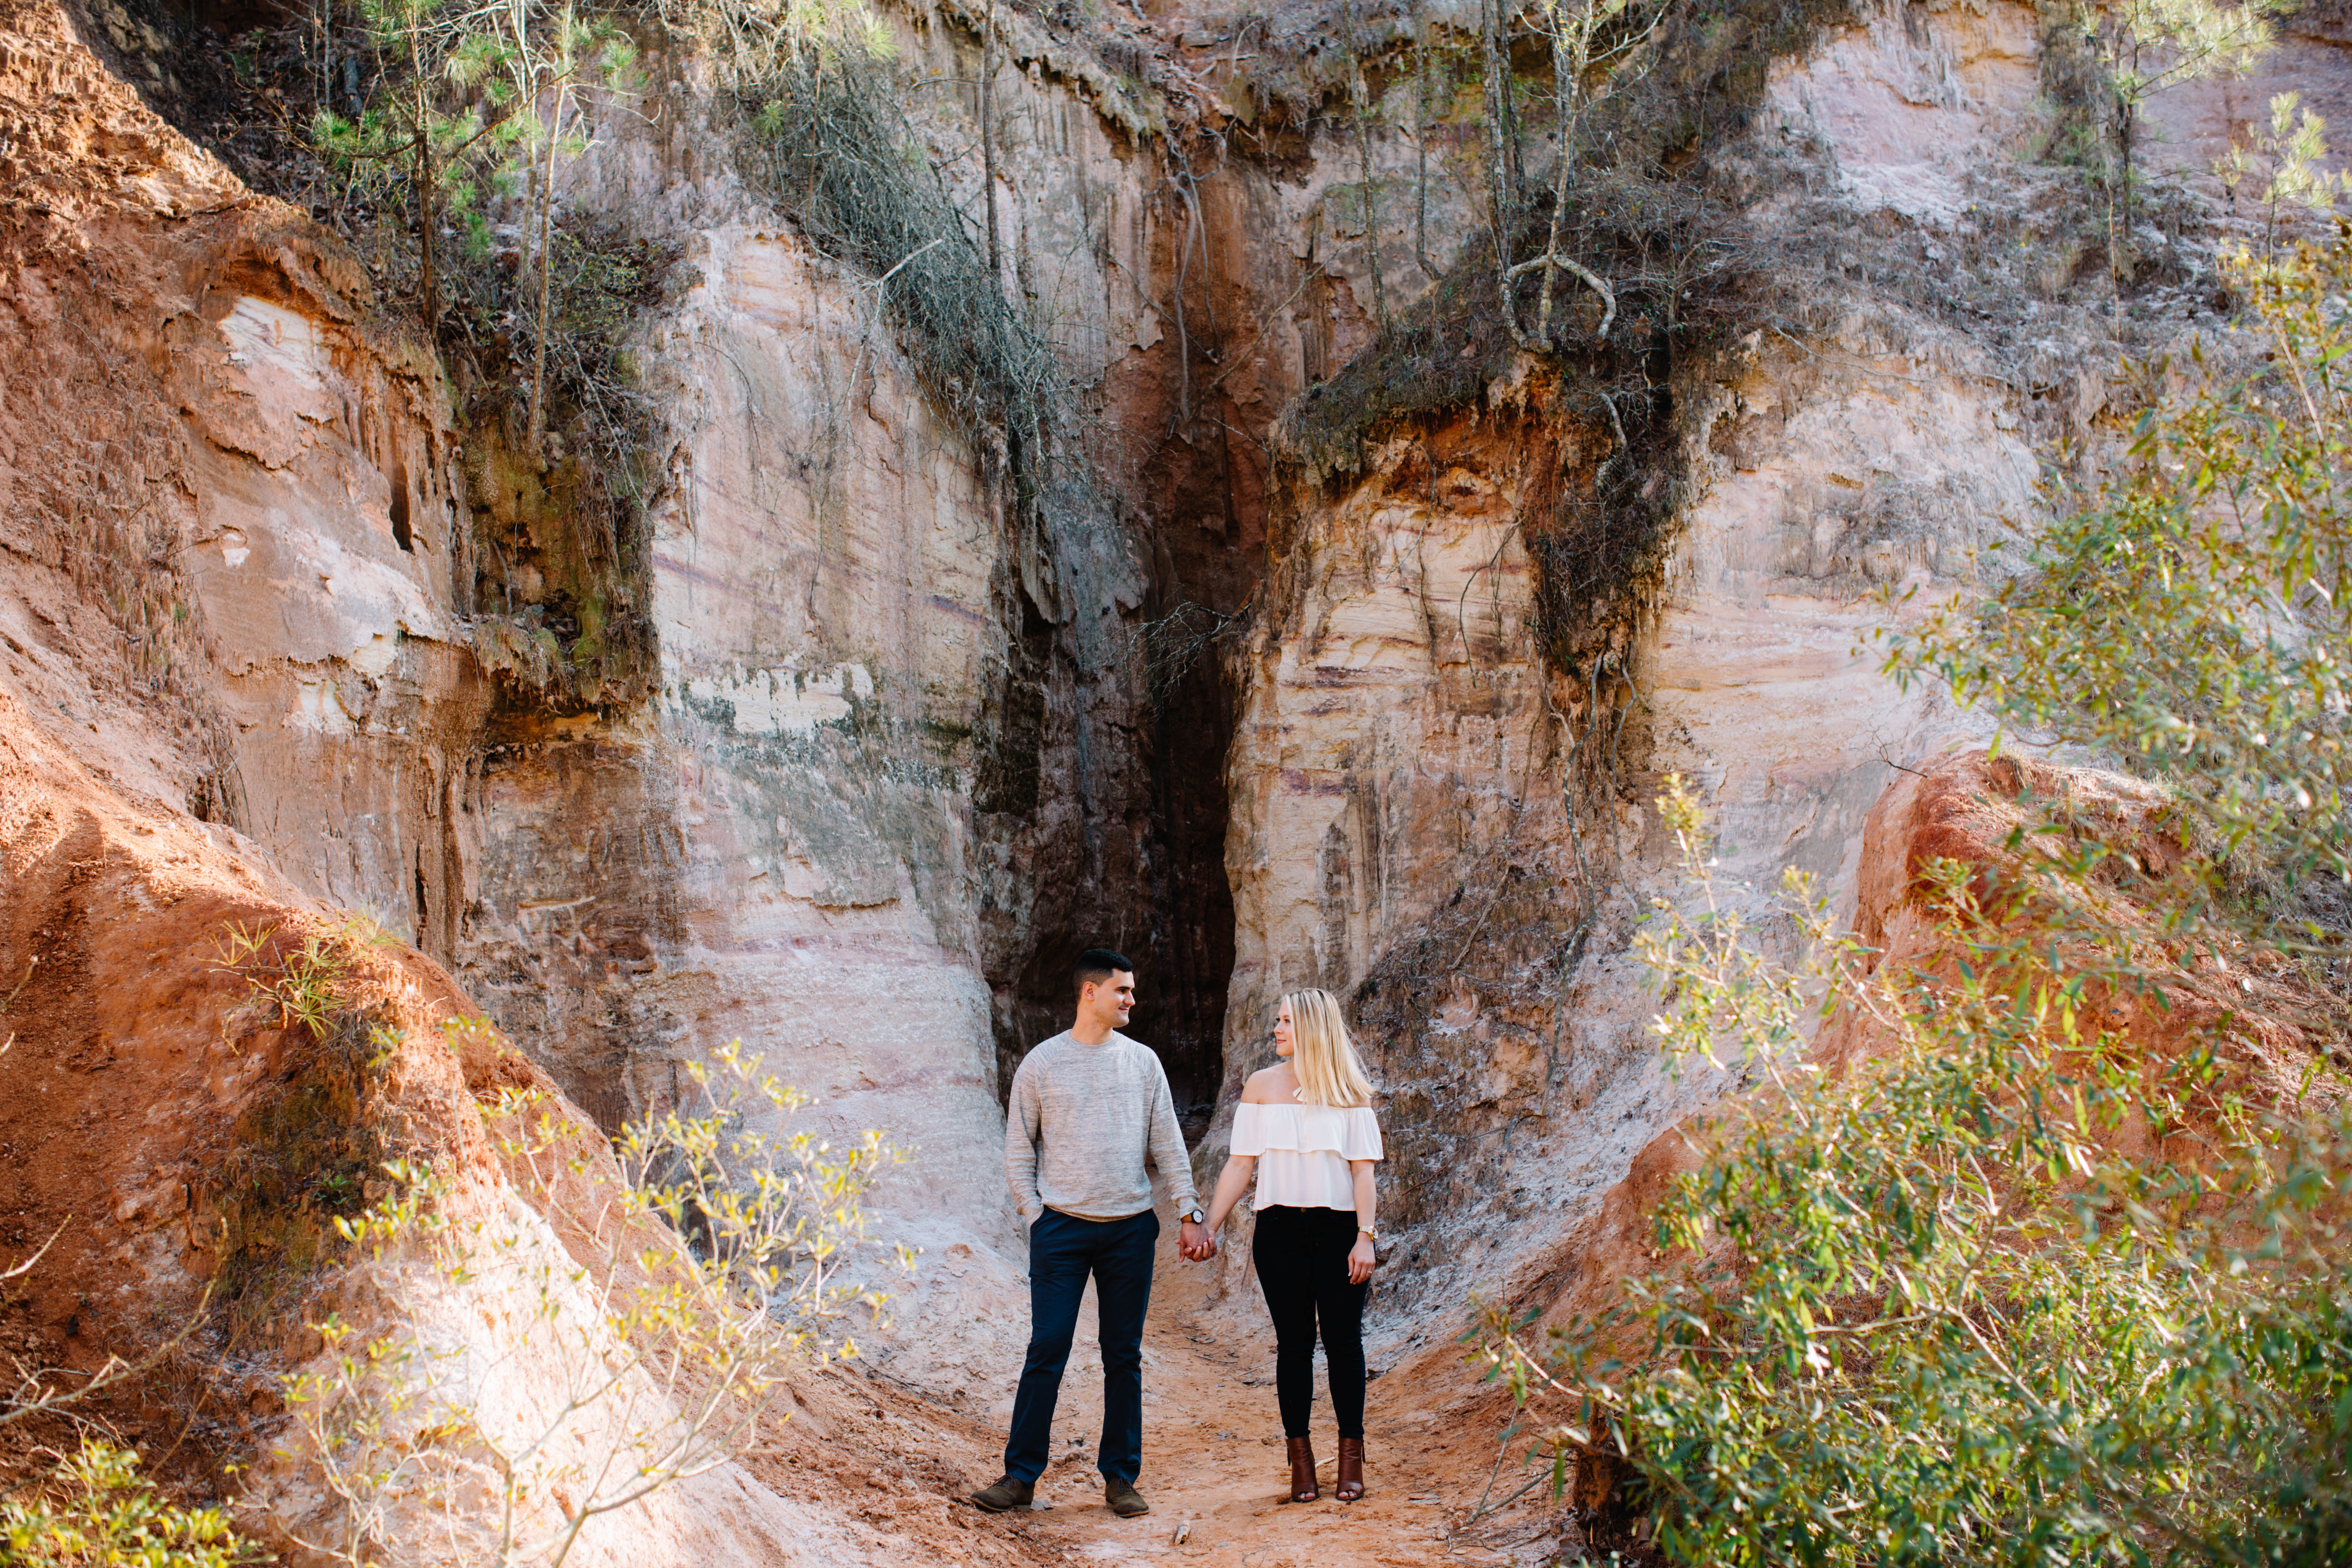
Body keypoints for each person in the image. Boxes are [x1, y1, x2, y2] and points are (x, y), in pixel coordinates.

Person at [970, 949, 1213, 1520]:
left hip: (1130, 1230)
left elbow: (1168, 1145)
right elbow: (1017, 1146)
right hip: (1061, 1230)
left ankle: (1121, 1478)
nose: (1132, 1000)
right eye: (1123, 991)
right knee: (1047, 1347)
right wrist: (1036, 1213)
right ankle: (1020, 1476)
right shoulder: (1042, 1064)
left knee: (1122, 1354)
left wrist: (1190, 1210)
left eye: (1132, 992)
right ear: (1090, 993)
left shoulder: (1143, 1062)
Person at [1196, 988, 1382, 1504]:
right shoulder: (1260, 1086)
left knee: (1345, 1344)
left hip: (1342, 1231)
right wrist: (1208, 1224)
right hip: (1278, 1232)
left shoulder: (1350, 1091)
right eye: (1277, 1021)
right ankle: (1301, 1465)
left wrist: (1366, 1237)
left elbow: (1363, 1174)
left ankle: (1351, 1460)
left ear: (1312, 1027)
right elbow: (1241, 1164)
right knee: (1295, 1347)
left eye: (1285, 1022)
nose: (1276, 1030)